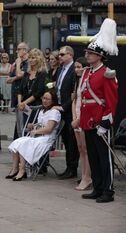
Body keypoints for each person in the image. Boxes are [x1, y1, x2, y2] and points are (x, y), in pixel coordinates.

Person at [80, 19, 118, 203]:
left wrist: (105, 121)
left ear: (100, 56)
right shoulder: (88, 72)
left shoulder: (107, 73)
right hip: (88, 119)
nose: (87, 55)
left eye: (91, 53)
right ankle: (97, 187)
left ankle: (108, 191)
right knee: (93, 156)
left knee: (104, 157)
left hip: (100, 120)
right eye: (87, 52)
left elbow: (111, 101)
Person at [6, 90, 61, 181]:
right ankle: (15, 169)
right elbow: (40, 124)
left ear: (53, 101)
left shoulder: (54, 112)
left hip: (46, 139)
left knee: (24, 143)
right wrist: (33, 125)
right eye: (44, 98)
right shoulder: (42, 111)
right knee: (17, 142)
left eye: (47, 99)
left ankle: (22, 170)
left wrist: (36, 131)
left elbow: (49, 129)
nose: (44, 101)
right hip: (38, 137)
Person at [54, 46, 79, 180]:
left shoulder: (74, 69)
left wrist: (64, 107)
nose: (60, 57)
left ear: (70, 55)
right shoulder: (60, 69)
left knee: (72, 142)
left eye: (62, 54)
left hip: (70, 111)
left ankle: (72, 168)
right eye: (59, 54)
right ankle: (69, 167)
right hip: (61, 109)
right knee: (66, 140)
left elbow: (73, 94)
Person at [13, 48, 47, 140]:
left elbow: (39, 92)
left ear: (39, 59)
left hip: (36, 105)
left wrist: (24, 103)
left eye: (33, 58)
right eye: (30, 58)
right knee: (22, 128)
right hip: (24, 106)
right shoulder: (27, 74)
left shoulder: (42, 73)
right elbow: (20, 90)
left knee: (32, 128)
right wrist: (20, 102)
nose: (31, 60)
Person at [71, 57, 91, 191]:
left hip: (84, 118)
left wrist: (79, 118)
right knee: (80, 148)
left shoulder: (87, 80)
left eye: (79, 67)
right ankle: (84, 174)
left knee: (86, 148)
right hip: (76, 117)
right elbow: (74, 101)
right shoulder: (77, 81)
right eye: (75, 67)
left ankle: (87, 177)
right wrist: (74, 117)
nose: (77, 69)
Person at [7, 42, 29, 109]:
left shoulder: (28, 62)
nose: (17, 51)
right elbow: (8, 79)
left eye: (19, 49)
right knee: (18, 118)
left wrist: (18, 63)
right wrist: (15, 78)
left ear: (25, 50)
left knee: (23, 117)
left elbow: (19, 74)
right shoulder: (17, 63)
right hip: (16, 93)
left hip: (23, 94)